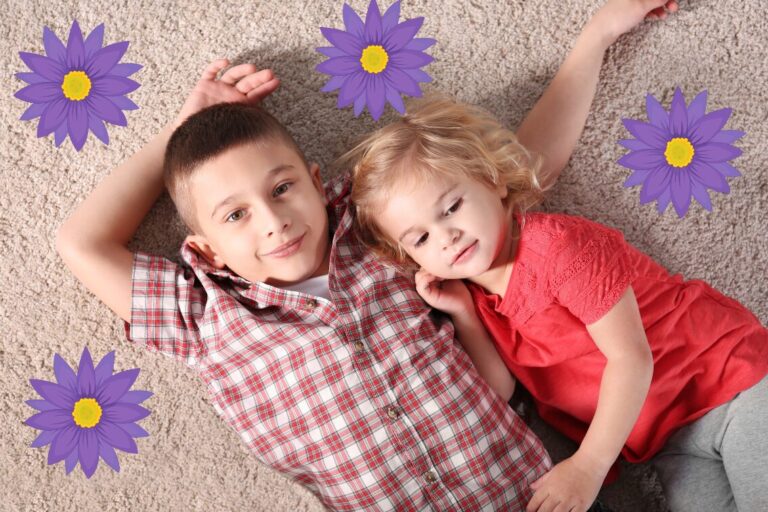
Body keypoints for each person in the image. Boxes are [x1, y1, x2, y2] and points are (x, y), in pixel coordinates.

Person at [55, 0, 679, 509]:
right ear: (205, 248)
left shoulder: (378, 231)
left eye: (282, 188)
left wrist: (596, 35)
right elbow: (81, 243)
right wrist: (181, 131)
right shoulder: (204, 315)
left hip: (524, 493)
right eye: (236, 215)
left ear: (315, 178)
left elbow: (514, 170)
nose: (273, 221)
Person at [346, 13, 768, 512]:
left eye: (452, 207)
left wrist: (586, 467)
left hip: (731, 383)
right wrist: (462, 313)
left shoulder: (557, 249)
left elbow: (631, 359)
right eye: (420, 237)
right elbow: (500, 389)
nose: (448, 235)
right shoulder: (479, 298)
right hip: (671, 444)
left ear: (494, 181)